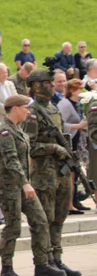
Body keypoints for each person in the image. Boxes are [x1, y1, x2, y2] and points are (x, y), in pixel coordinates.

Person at [0, 97, 65, 276]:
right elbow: (11, 160)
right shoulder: (5, 131)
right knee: (13, 226)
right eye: (25, 108)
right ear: (15, 108)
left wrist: (25, 183)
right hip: (10, 186)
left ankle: (42, 264)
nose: (28, 112)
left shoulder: (19, 130)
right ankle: (6, 269)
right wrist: (25, 183)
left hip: (24, 185)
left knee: (41, 220)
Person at [24, 70, 83, 276]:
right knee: (44, 219)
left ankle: (56, 258)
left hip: (60, 171)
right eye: (46, 83)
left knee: (59, 217)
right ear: (35, 86)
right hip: (43, 173)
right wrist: (56, 149)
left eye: (52, 82)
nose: (51, 86)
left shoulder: (53, 108)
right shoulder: (31, 112)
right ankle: (43, 261)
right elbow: (30, 145)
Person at [58, 79, 88, 213]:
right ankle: (69, 204)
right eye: (79, 89)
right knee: (70, 173)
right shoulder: (65, 104)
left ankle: (74, 201)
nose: (81, 92)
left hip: (76, 141)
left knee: (75, 173)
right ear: (73, 90)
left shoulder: (78, 104)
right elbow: (59, 124)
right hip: (68, 142)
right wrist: (78, 126)